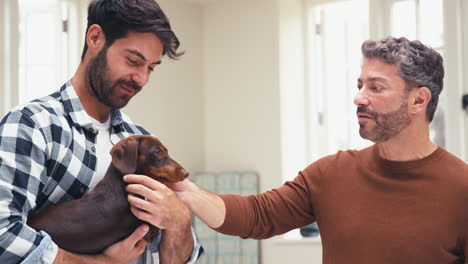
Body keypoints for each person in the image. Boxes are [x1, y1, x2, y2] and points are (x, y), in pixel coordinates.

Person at [128, 37, 468, 263]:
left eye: (376, 87)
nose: (359, 97)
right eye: (360, 85)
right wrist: (186, 191)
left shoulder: (461, 187)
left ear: (418, 100)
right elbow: (257, 216)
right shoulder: (331, 173)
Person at [0, 0, 203, 263]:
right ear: (95, 37)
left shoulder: (141, 142)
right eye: (133, 60)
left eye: (150, 68)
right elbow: (4, 234)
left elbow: (188, 257)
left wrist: (180, 222)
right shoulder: (33, 127)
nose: (141, 78)